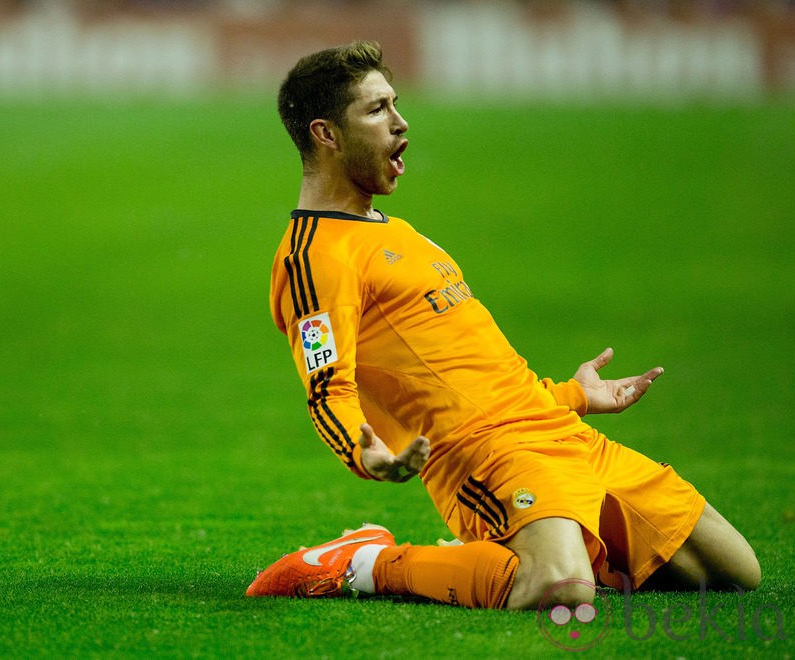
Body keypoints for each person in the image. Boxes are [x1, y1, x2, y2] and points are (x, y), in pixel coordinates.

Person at [246, 40, 760, 610]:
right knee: (558, 590)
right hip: (485, 456)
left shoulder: (399, 232)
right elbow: (327, 386)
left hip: (555, 429)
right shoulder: (315, 256)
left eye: (395, 104)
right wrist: (363, 454)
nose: (401, 122)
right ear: (326, 135)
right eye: (377, 110)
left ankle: (549, 541)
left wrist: (572, 396)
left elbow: (472, 364)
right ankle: (365, 562)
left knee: (733, 571)